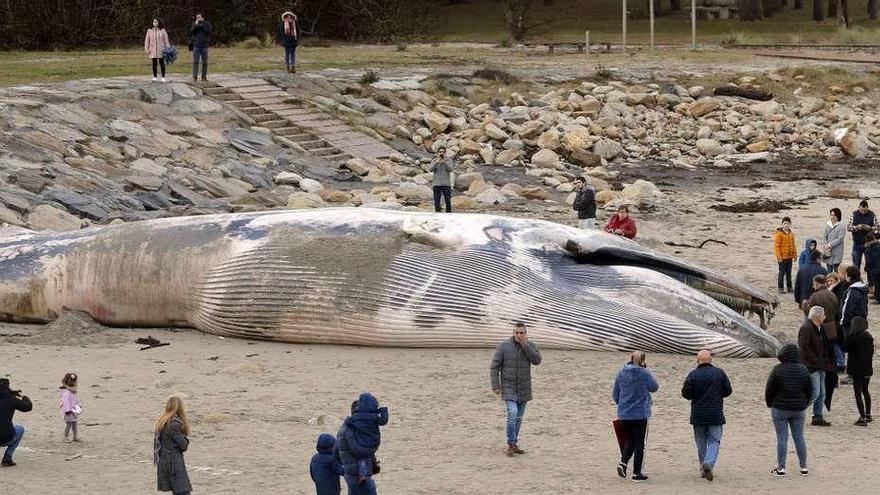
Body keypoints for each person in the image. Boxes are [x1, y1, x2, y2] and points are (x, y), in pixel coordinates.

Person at [490, 321, 542, 456]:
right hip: (509, 387)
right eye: (517, 333)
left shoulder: (530, 346)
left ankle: (513, 444)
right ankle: (511, 442)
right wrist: (495, 385)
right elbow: (494, 366)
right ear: (513, 333)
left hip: (524, 388)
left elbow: (537, 360)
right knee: (512, 413)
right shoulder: (503, 347)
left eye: (522, 333)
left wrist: (525, 345)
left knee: (519, 418)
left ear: (526, 334)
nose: (519, 335)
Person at [681, 350, 732, 482]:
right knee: (715, 440)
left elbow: (686, 394)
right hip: (715, 412)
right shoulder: (719, 373)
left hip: (698, 414)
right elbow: (728, 391)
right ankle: (708, 463)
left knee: (701, 443)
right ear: (711, 360)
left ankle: (704, 468)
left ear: (698, 360)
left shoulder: (693, 375)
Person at [765, 343, 813, 477]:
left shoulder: (777, 370)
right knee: (799, 438)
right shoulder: (803, 369)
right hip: (799, 409)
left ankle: (781, 468)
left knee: (782, 438)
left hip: (780, 408)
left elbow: (769, 389)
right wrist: (805, 403)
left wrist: (770, 403)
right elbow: (809, 390)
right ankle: (803, 467)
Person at [612, 351, 659, 483]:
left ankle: (623, 462)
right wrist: (647, 370)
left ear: (631, 359)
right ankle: (636, 473)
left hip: (624, 413)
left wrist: (622, 403)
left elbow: (615, 393)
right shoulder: (644, 373)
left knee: (629, 441)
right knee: (639, 444)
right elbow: (654, 387)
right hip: (640, 413)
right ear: (643, 360)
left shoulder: (621, 372)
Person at [335, 393, 387, 495]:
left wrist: (344, 470)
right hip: (359, 478)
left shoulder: (344, 429)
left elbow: (336, 454)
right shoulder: (351, 431)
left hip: (351, 476)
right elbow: (359, 451)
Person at [805, 275, 841, 410]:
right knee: (831, 355)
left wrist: (804, 305)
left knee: (821, 352)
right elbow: (837, 311)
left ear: (817, 283)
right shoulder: (832, 295)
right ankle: (833, 377)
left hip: (820, 327)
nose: (813, 286)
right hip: (832, 328)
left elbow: (811, 312)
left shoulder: (815, 296)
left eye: (814, 283)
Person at [799, 306, 831, 426]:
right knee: (815, 393)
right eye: (823, 315)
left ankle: (817, 416)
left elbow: (824, 345)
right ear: (817, 316)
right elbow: (804, 348)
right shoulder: (806, 328)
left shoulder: (820, 328)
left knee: (822, 393)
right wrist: (814, 361)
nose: (824, 317)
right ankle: (797, 411)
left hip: (821, 365)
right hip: (811, 366)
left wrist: (825, 360)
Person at [154, 396, 192, 495]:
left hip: (164, 462)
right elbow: (183, 446)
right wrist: (186, 439)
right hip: (174, 464)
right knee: (183, 491)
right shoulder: (174, 424)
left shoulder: (161, 422)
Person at [846, 316, 874, 426]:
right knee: (865, 391)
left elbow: (845, 348)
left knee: (857, 392)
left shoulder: (853, 338)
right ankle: (868, 414)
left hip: (857, 370)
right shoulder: (869, 337)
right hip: (867, 368)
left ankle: (862, 417)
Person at [0, 378, 32, 467]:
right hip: (6, 437)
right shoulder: (11, 399)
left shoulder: (10, 397)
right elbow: (28, 407)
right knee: (20, 428)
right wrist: (24, 397)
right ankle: (8, 457)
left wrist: (11, 393)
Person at [840, 266, 869, 343]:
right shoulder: (863, 289)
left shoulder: (852, 290)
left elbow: (847, 308)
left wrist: (843, 322)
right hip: (861, 321)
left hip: (851, 324)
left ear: (849, 276)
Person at [847, 200, 878, 269]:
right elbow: (848, 227)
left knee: (870, 265)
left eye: (865, 210)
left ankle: (871, 279)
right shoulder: (854, 214)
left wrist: (870, 228)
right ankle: (856, 279)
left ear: (867, 208)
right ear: (859, 207)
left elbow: (877, 228)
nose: (863, 212)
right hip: (857, 244)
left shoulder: (872, 214)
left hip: (869, 244)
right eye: (862, 210)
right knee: (856, 265)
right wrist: (857, 227)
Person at [774, 217, 798, 294]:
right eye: (785, 223)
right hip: (782, 258)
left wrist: (795, 255)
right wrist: (779, 257)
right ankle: (780, 288)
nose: (786, 225)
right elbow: (776, 247)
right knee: (782, 273)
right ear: (782, 224)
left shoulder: (791, 234)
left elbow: (793, 245)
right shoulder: (779, 234)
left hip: (789, 257)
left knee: (789, 273)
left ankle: (789, 287)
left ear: (790, 224)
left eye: (788, 223)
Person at [59, 373, 82, 442]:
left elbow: (75, 400)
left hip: (73, 410)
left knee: (74, 423)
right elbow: (66, 402)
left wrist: (78, 406)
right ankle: (65, 437)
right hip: (68, 411)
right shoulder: (67, 393)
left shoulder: (73, 392)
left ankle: (75, 436)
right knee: (68, 424)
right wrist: (67, 411)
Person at [822, 208, 846, 273]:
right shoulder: (828, 224)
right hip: (828, 251)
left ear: (838, 216)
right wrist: (826, 245)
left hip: (837, 250)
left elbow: (840, 238)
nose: (832, 217)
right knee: (828, 270)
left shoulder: (842, 225)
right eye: (831, 215)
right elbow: (824, 236)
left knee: (836, 270)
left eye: (834, 215)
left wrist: (830, 244)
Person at [190, 13, 212, 82]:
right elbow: (191, 32)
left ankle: (204, 77)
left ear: (202, 17)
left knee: (205, 62)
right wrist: (196, 24)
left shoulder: (207, 24)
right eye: (197, 17)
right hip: (196, 45)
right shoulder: (195, 24)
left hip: (204, 46)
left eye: (199, 17)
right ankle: (195, 77)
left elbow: (208, 31)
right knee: (195, 62)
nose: (198, 18)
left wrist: (202, 24)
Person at [863, 233, 880, 303]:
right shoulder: (876, 246)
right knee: (876, 283)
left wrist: (866, 267)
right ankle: (876, 295)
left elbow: (870, 260)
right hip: (874, 268)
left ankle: (878, 298)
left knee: (878, 283)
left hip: (875, 268)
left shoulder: (872, 248)